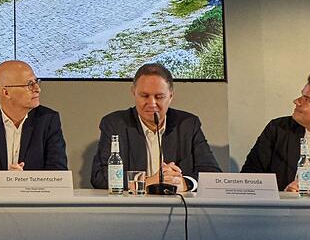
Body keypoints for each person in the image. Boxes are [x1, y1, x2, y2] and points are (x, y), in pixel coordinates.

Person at [91, 63, 220, 191]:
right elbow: (99, 177)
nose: (152, 104)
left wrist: (185, 183)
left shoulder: (188, 124)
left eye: (159, 97)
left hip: (179, 207)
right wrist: (148, 181)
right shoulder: (114, 124)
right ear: (133, 93)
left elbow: (211, 173)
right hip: (131, 207)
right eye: (144, 96)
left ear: (170, 96)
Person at [0, 60, 67, 189]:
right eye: (29, 84)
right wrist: (2, 179)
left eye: (36, 82)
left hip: (34, 202)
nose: (37, 89)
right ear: (6, 93)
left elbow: (58, 173)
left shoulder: (48, 120)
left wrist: (21, 180)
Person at [242, 71, 310, 191]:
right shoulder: (279, 129)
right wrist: (283, 196)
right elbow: (249, 177)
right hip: (282, 209)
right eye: (302, 96)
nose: (296, 101)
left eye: (306, 99)